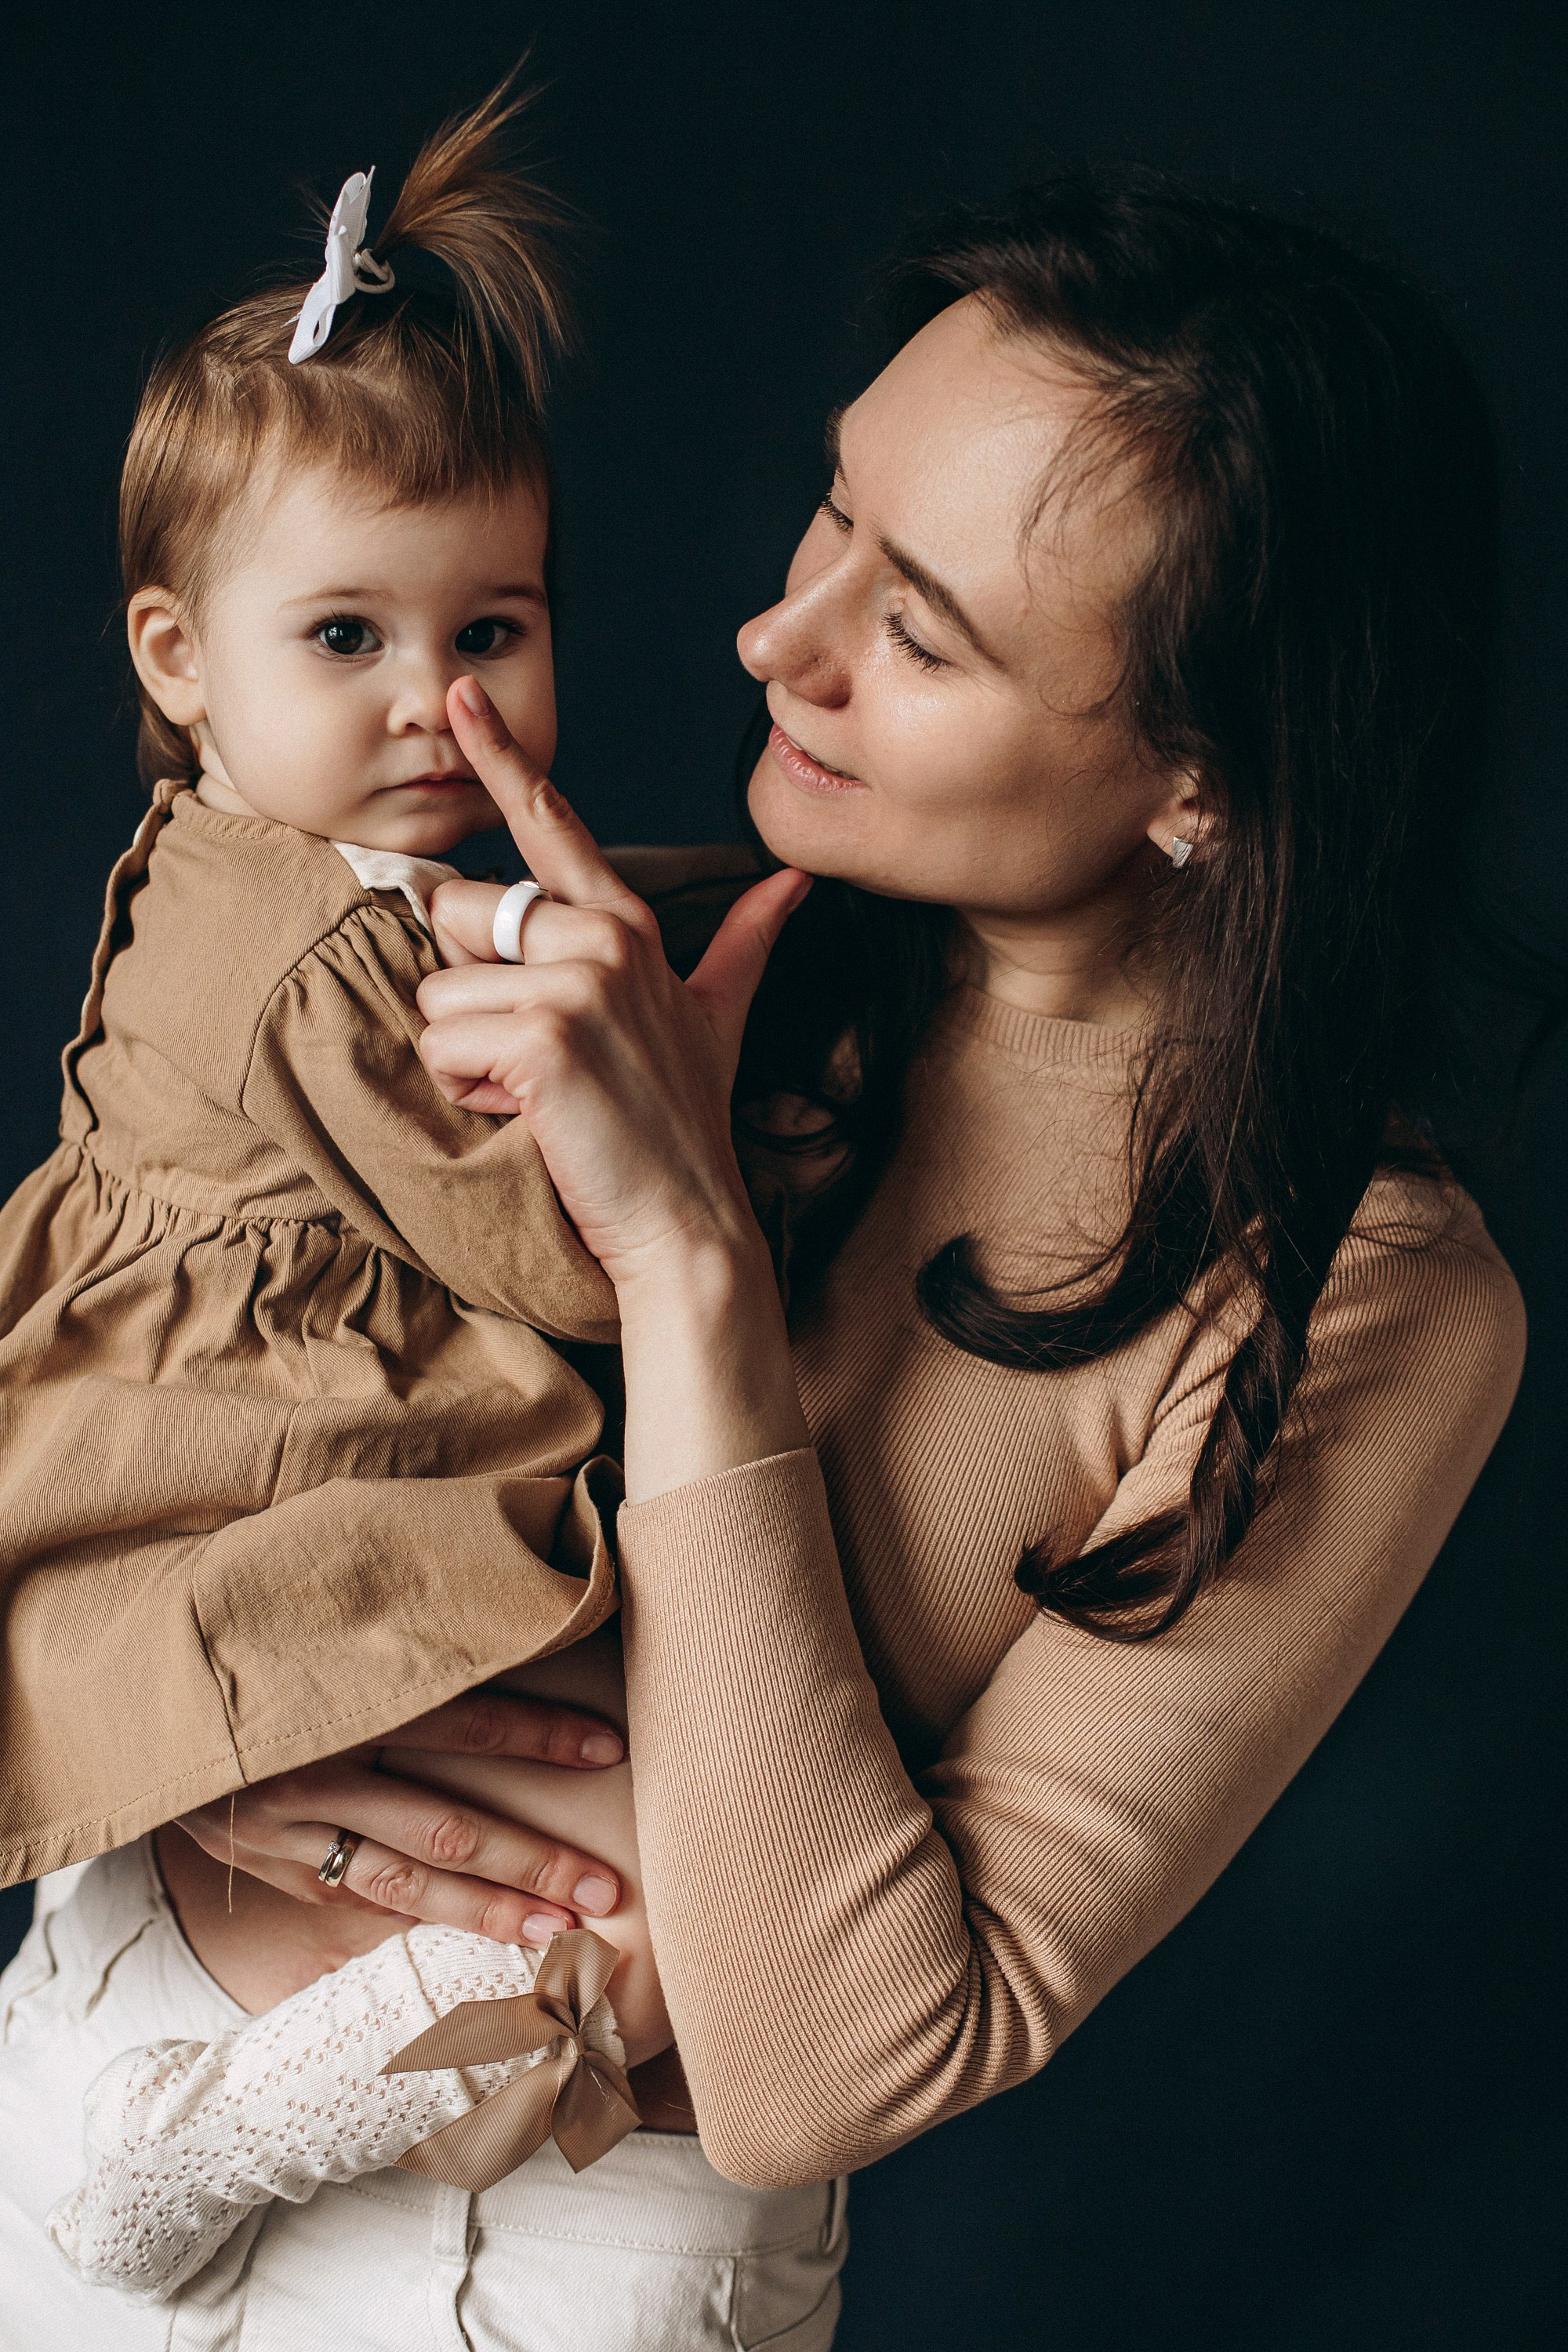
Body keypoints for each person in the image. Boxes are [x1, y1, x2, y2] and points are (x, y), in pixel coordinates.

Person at [1, 168, 1528, 2347]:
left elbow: (838, 2058)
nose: (770, 638)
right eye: (834, 517)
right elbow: (101, 1374)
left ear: (1206, 769)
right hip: (117, 2085)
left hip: (576, 2244)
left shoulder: (1353, 1297)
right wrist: (201, 1713)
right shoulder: (627, 947)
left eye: (920, 628)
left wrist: (695, 1274)